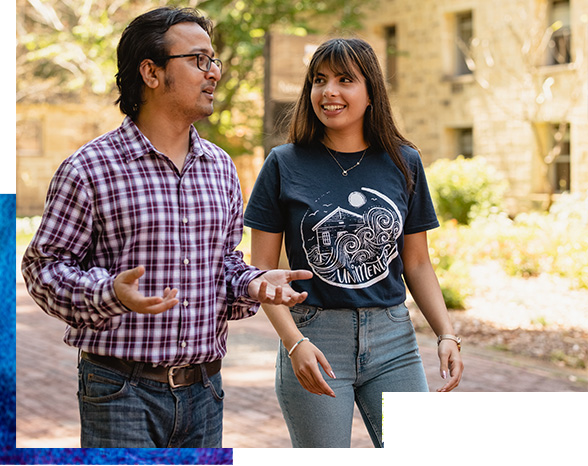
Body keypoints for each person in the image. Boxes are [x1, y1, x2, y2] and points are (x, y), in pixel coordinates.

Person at [21, 7, 312, 449]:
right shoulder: (89, 168)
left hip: (206, 391)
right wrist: (112, 293)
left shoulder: (220, 168)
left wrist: (253, 284)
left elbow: (222, 267)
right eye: (199, 60)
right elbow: (42, 270)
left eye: (213, 61)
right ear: (152, 73)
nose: (214, 72)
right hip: (119, 390)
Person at [244, 37, 464, 448]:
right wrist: (294, 344)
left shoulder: (404, 162)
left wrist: (446, 334)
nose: (329, 91)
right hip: (314, 338)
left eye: (345, 80)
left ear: (370, 93)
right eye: (319, 80)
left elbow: (417, 264)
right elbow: (263, 278)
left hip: (393, 338)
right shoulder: (283, 164)